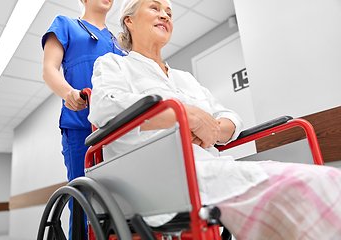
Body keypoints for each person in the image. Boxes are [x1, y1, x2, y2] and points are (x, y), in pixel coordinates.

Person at [88, 0, 341, 239]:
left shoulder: (185, 78)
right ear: (129, 20)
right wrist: (187, 116)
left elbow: (228, 116)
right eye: (154, 7)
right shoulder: (113, 65)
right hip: (156, 179)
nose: (165, 14)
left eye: (169, 12)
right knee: (312, 185)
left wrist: (213, 130)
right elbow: (104, 108)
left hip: (210, 166)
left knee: (322, 183)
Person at [42, 0, 125, 237]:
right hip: (81, 127)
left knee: (119, 204)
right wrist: (69, 93)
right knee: (83, 205)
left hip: (117, 130)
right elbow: (49, 69)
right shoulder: (66, 25)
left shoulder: (119, 43)